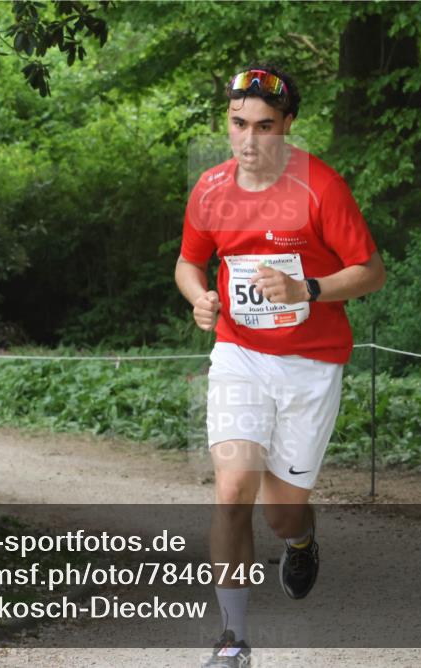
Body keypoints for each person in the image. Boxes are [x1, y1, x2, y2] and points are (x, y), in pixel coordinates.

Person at [175, 63, 386, 667]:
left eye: (264, 126)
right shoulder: (211, 189)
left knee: (281, 511)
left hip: (310, 365)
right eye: (238, 123)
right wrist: (199, 297)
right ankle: (233, 641)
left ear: (287, 125)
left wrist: (307, 290)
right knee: (232, 489)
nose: (248, 139)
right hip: (239, 355)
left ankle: (300, 539)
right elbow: (188, 263)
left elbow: (371, 271)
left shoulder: (321, 187)